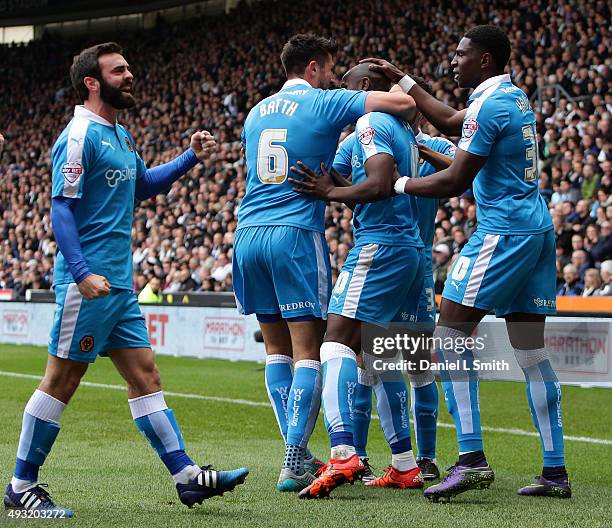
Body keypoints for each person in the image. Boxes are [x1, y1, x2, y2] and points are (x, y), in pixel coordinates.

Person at [4, 42, 248, 516]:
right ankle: (20, 486)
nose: (130, 75)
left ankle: (186, 477)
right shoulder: (79, 136)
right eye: (119, 70)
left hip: (118, 283)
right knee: (62, 379)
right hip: (90, 282)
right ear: (92, 82)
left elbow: (143, 187)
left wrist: (189, 157)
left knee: (145, 374)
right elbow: (61, 210)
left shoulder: (120, 133)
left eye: (129, 67)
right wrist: (81, 273)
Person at [364, 24, 570, 501]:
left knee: (450, 335)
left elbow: (456, 179)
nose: (453, 61)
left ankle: (472, 458)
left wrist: (396, 184)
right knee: (531, 353)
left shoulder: (491, 104)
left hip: (502, 235)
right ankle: (555, 471)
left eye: (461, 54)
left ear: (485, 60)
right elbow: (455, 124)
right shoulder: (512, 97)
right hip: (534, 230)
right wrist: (404, 80)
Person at [233, 33, 417, 492]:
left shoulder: (256, 112)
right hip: (293, 233)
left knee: (274, 350)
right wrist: (395, 80)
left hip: (247, 233)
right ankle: (295, 456)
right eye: (331, 70)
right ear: (313, 68)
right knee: (309, 350)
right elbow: (398, 106)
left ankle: (294, 451)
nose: (335, 79)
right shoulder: (326, 101)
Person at [289, 63, 423, 498]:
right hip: (407, 250)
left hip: (379, 248)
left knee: (334, 343)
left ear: (365, 88)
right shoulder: (402, 128)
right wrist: (341, 184)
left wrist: (330, 193)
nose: (339, 91)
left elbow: (380, 186)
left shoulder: (370, 120)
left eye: (346, 85)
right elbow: (372, 185)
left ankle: (343, 450)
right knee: (377, 356)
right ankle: (404, 464)